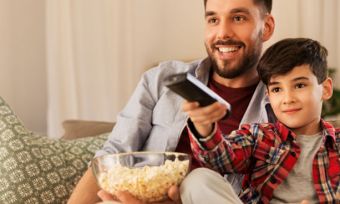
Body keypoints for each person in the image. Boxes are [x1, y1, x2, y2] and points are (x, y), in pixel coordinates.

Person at [68, 0, 275, 203]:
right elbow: (113, 155)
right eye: (213, 20)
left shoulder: (283, 104)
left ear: (266, 27)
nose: (222, 33)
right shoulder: (159, 79)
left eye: (238, 18)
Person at [181, 38, 340, 203]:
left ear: (326, 89)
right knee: (197, 180)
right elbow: (220, 158)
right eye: (277, 89)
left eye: (299, 85)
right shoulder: (259, 137)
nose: (288, 99)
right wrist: (203, 126)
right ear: (268, 96)